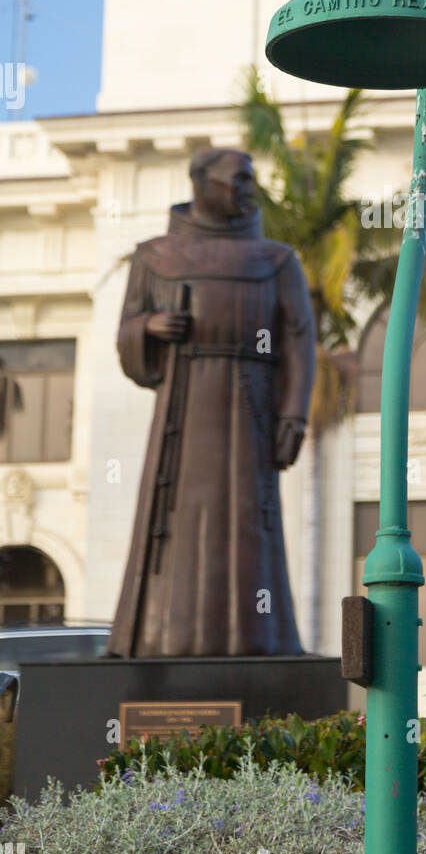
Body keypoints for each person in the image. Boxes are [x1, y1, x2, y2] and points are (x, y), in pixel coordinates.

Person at [106, 147, 315, 657]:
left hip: (252, 407)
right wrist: (149, 328)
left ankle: (259, 639)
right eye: (237, 179)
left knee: (250, 524)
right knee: (172, 521)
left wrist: (293, 414)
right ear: (201, 182)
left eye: (250, 179)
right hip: (184, 402)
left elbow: (298, 339)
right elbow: (127, 331)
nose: (247, 188)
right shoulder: (153, 257)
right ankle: (161, 642)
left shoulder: (277, 260)